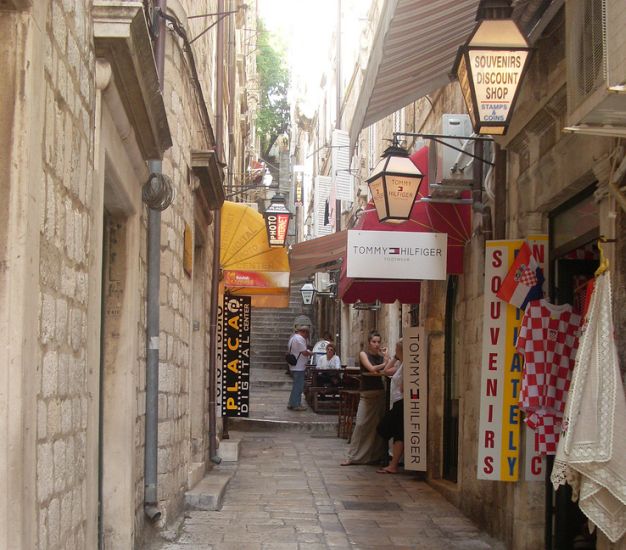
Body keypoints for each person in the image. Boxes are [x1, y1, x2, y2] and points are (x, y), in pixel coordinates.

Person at [341, 330, 394, 465]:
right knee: (360, 424)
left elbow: (386, 371)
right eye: (374, 342)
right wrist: (385, 362)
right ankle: (352, 456)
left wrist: (386, 356)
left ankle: (374, 456)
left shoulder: (381, 357)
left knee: (377, 426)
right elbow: (371, 369)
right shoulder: (363, 354)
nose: (376, 344)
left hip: (380, 393)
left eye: (378, 342)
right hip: (367, 394)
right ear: (369, 343)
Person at [376, 339, 404, 474]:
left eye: (397, 349)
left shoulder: (408, 366)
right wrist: (394, 358)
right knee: (398, 433)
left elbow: (405, 387)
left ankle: (393, 463)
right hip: (397, 401)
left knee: (387, 428)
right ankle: (393, 464)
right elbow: (386, 371)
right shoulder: (401, 364)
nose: (396, 351)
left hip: (401, 402)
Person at [286, 323, 312, 411]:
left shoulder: (293, 338)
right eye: (307, 333)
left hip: (294, 365)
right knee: (299, 386)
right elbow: (304, 352)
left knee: (296, 385)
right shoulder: (300, 339)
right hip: (299, 366)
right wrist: (310, 353)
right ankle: (296, 404)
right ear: (304, 332)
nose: (307, 336)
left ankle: (291, 403)